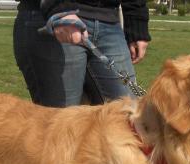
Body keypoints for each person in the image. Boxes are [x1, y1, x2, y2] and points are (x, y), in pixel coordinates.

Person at [13, 0, 151, 107]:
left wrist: (136, 20)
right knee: (61, 127)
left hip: (107, 19)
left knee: (129, 118)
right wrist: (59, 7)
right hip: (53, 18)